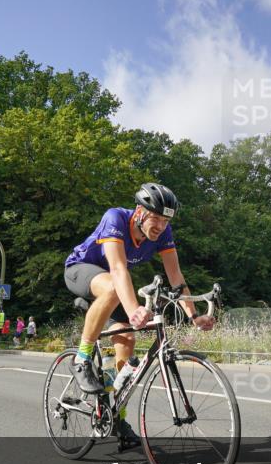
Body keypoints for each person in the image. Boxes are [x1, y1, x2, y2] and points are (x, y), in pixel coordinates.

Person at [64, 183, 215, 448]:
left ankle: (117, 417)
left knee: (126, 341)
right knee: (113, 286)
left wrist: (193, 316)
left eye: (166, 220)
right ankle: (82, 358)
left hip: (114, 286)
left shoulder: (164, 233)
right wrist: (135, 310)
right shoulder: (116, 218)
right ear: (139, 212)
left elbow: (176, 277)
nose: (160, 225)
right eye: (155, 218)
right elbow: (119, 269)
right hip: (81, 271)